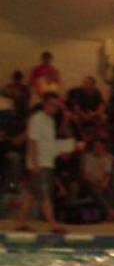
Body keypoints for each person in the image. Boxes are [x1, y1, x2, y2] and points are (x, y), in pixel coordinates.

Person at [17, 92, 76, 233]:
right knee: (46, 194)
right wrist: (34, 163)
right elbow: (32, 142)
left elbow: (49, 143)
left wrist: (60, 150)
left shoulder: (50, 121)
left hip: (47, 160)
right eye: (52, 105)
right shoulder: (37, 119)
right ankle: (53, 224)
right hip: (40, 162)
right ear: (45, 104)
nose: (54, 108)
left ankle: (21, 222)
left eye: (56, 106)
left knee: (30, 193)